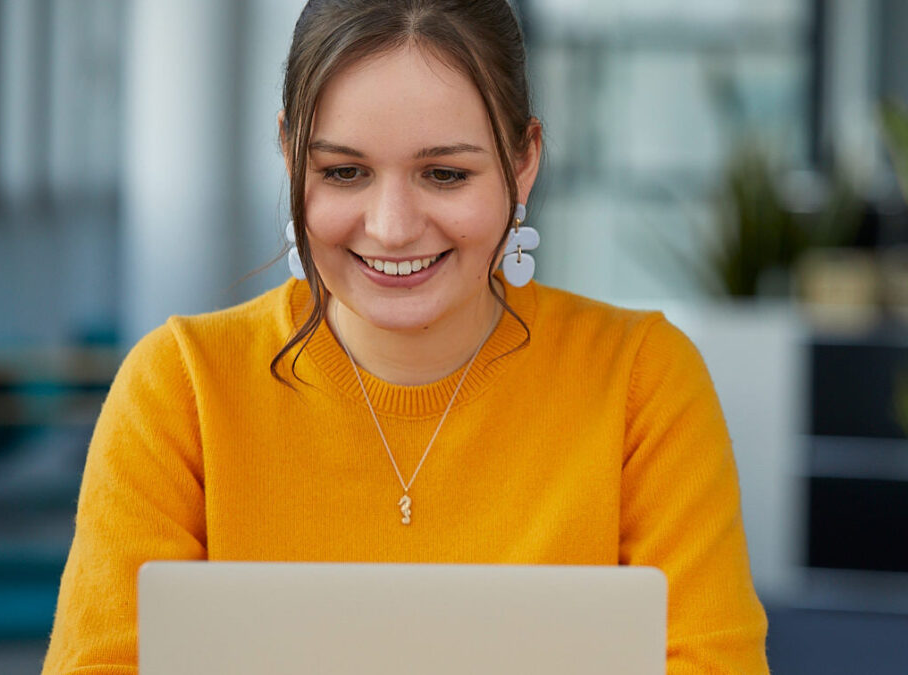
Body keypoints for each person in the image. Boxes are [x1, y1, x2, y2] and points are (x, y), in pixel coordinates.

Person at [41, 1, 769, 672]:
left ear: (523, 163)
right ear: (291, 155)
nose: (391, 226)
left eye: (445, 173)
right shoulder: (181, 389)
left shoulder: (642, 381)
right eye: (345, 171)